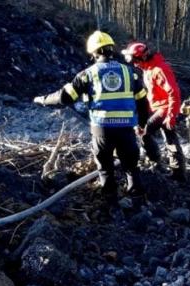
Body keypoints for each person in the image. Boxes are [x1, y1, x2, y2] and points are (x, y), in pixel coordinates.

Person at [33, 31, 150, 208]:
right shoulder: (130, 73)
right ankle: (139, 206)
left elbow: (65, 97)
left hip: (101, 130)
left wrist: (43, 99)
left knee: (105, 168)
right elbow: (143, 102)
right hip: (126, 129)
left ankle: (111, 205)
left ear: (93, 53)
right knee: (131, 167)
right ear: (112, 50)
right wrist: (141, 125)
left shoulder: (87, 74)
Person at [121, 42, 186, 181]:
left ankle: (156, 160)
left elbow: (174, 92)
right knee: (170, 139)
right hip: (158, 108)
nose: (134, 64)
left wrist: (171, 116)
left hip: (165, 108)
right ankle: (178, 173)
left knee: (143, 131)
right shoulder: (148, 68)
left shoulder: (159, 69)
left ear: (142, 57)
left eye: (135, 61)